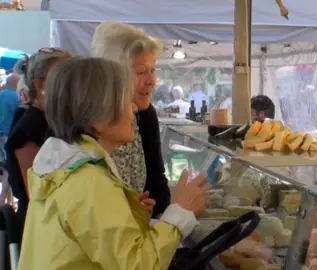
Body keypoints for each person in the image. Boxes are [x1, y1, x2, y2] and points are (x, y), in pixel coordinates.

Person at [18, 57, 210, 270]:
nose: (134, 108)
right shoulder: (90, 183)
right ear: (98, 119)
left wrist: (126, 214)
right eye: (125, 101)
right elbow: (140, 265)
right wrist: (180, 212)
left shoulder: (61, 167)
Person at [92, 21, 171, 217]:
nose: (152, 81)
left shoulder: (146, 115)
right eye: (142, 72)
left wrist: (152, 206)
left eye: (153, 70)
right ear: (114, 76)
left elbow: (156, 180)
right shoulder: (88, 120)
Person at [4, 48, 71, 229]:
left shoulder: (57, 121)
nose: (72, 83)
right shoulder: (29, 128)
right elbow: (38, 196)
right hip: (40, 229)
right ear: (40, 84)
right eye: (63, 76)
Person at [0, 74, 20, 205]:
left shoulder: (1, 94)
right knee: (9, 168)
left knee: (3, 168)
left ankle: (8, 201)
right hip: (8, 135)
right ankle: (2, 201)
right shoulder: (16, 97)